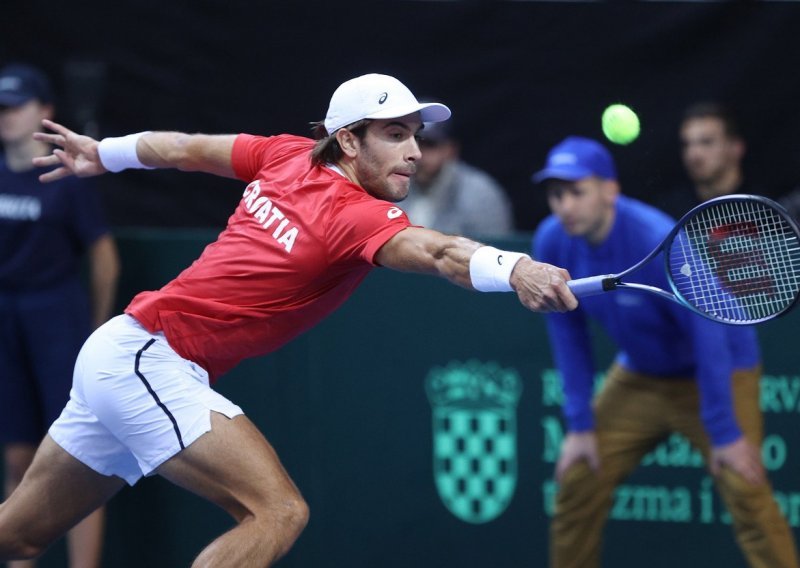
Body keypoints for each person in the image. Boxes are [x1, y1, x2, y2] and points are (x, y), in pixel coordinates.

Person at [0, 73, 577, 567]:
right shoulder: (351, 211)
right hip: (147, 361)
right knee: (277, 511)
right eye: (395, 134)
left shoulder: (284, 155)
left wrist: (106, 153)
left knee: (19, 533)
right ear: (347, 141)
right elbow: (438, 252)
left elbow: (184, 147)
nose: (415, 152)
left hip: (122, 356)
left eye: (415, 136)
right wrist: (517, 265)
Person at [531, 136, 798, 568]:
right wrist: (579, 424)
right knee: (578, 480)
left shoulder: (654, 237)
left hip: (718, 370)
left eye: (576, 191)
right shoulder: (551, 243)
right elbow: (567, 333)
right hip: (641, 376)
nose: (565, 206)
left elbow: (708, 331)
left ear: (609, 190)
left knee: (746, 489)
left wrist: (723, 431)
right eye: (556, 194)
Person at [0, 63, 119, 568]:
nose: (6, 117)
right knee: (17, 457)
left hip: (57, 319)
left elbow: (104, 257)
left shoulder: (67, 177)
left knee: (76, 459)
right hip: (6, 321)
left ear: (45, 112)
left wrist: (93, 334)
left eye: (16, 106)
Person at [402, 115, 514, 237]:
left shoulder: (479, 193)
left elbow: (495, 249)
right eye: (415, 141)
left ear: (450, 149)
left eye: (430, 145)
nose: (419, 153)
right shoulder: (395, 181)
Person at [655, 101, 758, 219]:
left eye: (706, 142)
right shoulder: (666, 213)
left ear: (736, 147)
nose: (693, 154)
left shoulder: (766, 208)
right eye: (686, 144)